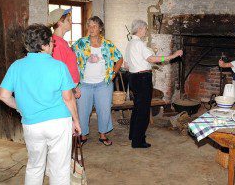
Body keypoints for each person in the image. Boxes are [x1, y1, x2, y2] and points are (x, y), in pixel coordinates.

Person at [0, 24, 81, 185]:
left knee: (35, 166)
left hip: (32, 124)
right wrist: (76, 120)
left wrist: (20, 107)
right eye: (51, 42)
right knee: (59, 168)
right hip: (58, 123)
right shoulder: (59, 66)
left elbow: (3, 96)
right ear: (44, 45)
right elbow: (68, 98)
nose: (53, 45)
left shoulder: (16, 66)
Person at [125, 19, 183, 148]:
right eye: (145, 28)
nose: (146, 30)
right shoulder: (139, 44)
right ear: (139, 29)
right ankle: (138, 141)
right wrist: (172, 56)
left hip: (133, 77)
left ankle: (133, 135)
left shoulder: (130, 43)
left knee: (137, 108)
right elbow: (151, 59)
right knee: (143, 111)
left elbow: (126, 65)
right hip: (142, 78)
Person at [72, 16, 123, 146]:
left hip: (103, 84)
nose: (91, 28)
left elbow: (119, 58)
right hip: (84, 84)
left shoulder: (108, 44)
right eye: (89, 25)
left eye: (94, 26)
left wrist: (113, 74)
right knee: (83, 111)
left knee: (104, 110)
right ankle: (82, 135)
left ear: (100, 28)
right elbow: (69, 58)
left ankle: (103, 135)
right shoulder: (80, 43)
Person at [48, 8, 81, 98]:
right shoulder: (56, 43)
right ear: (59, 22)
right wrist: (72, 90)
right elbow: (59, 71)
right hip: (65, 90)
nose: (70, 22)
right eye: (68, 20)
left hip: (69, 87)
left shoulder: (61, 42)